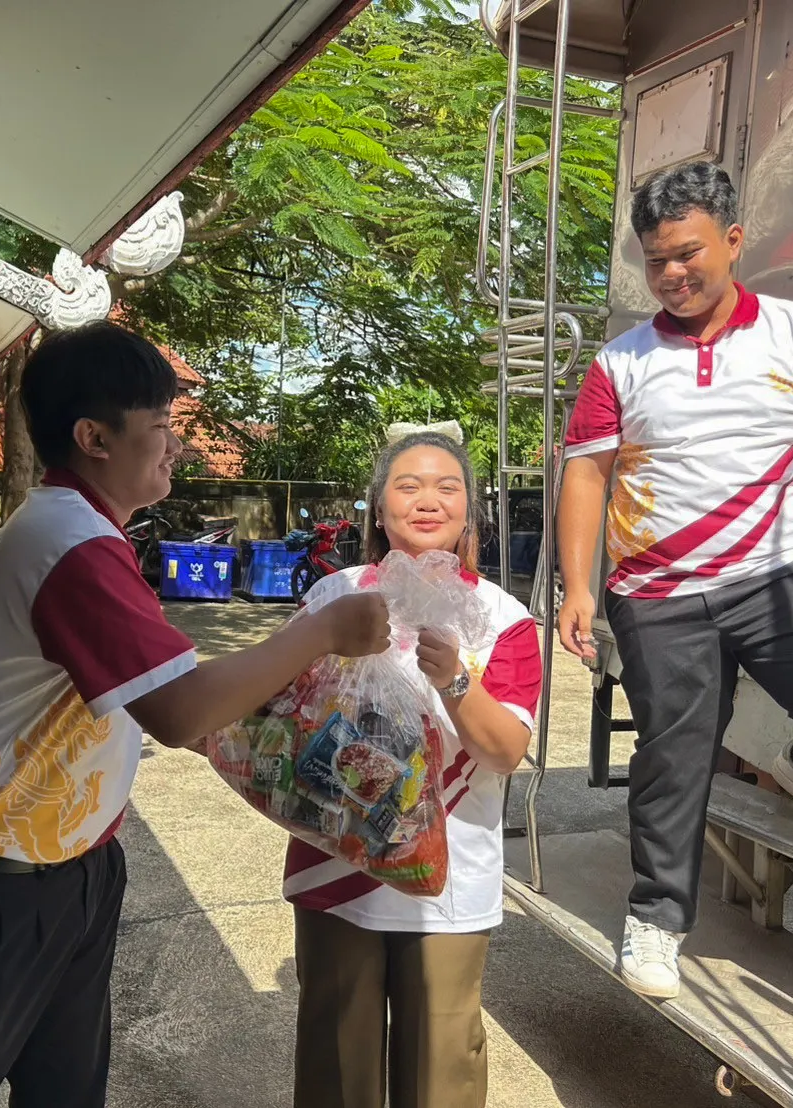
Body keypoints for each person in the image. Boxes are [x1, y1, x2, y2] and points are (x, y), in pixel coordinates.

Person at [0, 321, 390, 1108]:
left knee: (66, 1089)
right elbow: (179, 711)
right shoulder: (70, 542)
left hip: (64, 871)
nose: (175, 447)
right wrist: (317, 630)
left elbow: (172, 687)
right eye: (159, 428)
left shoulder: (87, 532)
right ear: (92, 437)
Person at [556, 161, 793, 1001]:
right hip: (654, 594)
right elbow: (583, 477)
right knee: (674, 758)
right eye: (655, 260)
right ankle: (655, 919)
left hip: (777, 575)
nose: (672, 275)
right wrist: (576, 588)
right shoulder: (620, 361)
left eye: (687, 253)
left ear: (733, 241)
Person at [285, 426, 541, 1108]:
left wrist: (455, 680)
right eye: (407, 485)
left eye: (446, 487)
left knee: (442, 1069)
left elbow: (504, 752)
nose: (427, 500)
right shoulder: (332, 595)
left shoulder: (501, 618)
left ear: (469, 512)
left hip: (447, 879)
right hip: (334, 860)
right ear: (377, 508)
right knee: (335, 1062)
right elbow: (278, 718)